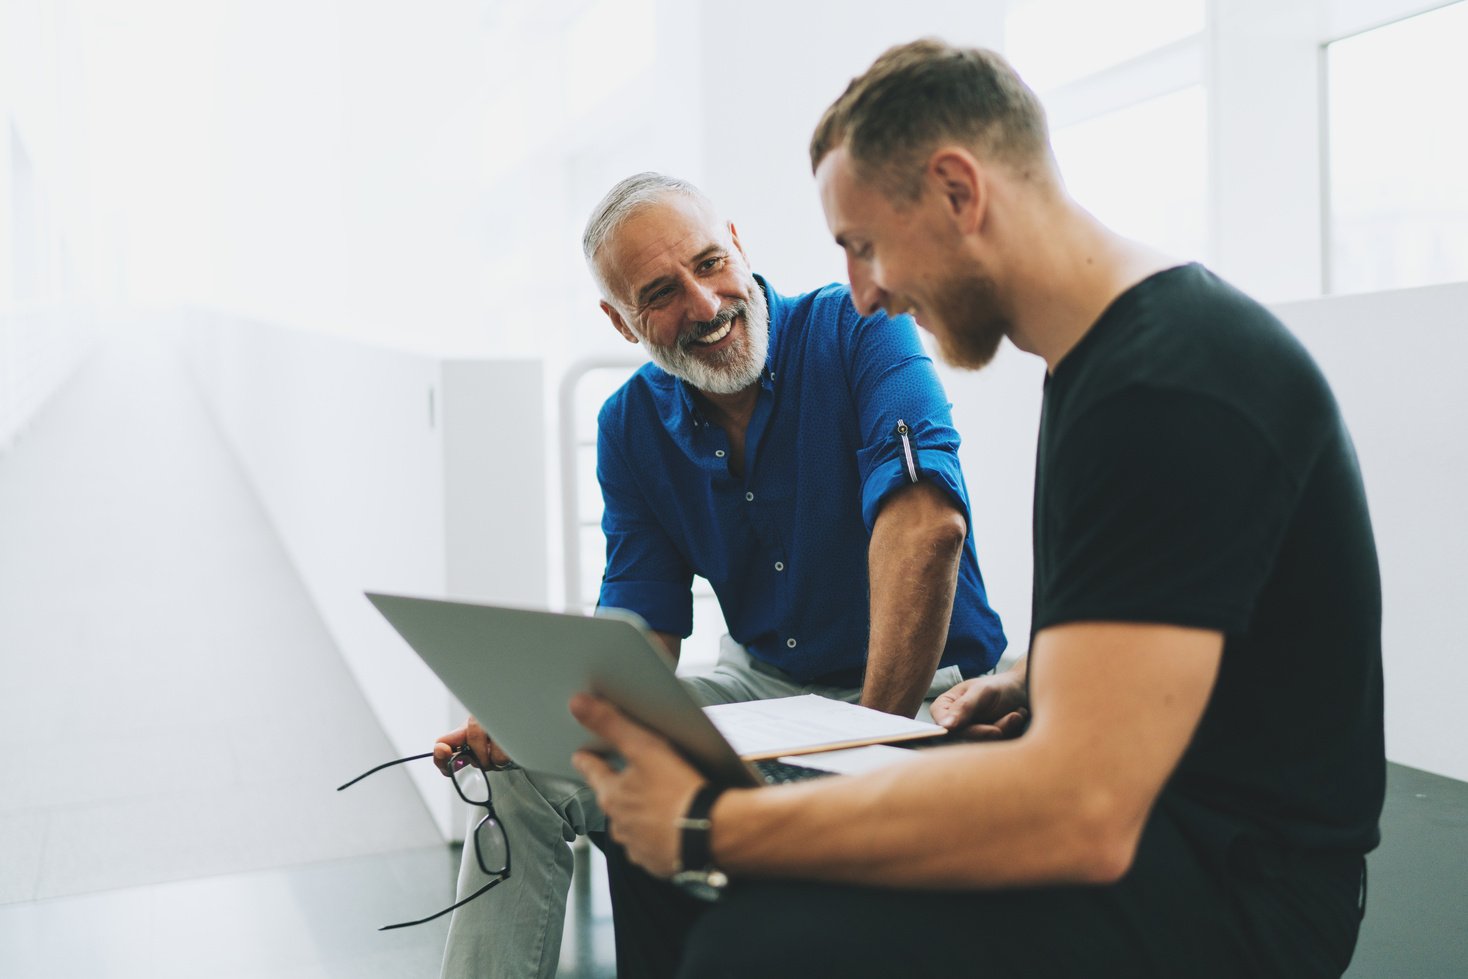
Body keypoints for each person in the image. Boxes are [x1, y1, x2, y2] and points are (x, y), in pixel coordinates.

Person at [569, 40, 1384, 979]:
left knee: (755, 943)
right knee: (704, 897)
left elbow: (1082, 815)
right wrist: (1037, 676)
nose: (867, 290)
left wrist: (718, 823)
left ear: (959, 192)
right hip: (1166, 817)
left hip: (1239, 886)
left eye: (864, 246)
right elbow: (1184, 614)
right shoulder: (1105, 362)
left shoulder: (1169, 386)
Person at [430, 171, 1008, 978]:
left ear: (737, 242)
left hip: (918, 692)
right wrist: (538, 712)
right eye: (661, 292)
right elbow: (642, 625)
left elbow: (928, 526)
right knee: (524, 770)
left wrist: (864, 749)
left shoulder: (860, 328)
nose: (703, 306)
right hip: (768, 692)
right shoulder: (629, 424)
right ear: (622, 322)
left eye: (708, 263)